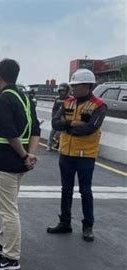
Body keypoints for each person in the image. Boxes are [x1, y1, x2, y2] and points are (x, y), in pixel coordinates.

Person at [0, 59, 40, 270]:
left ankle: (11, 256)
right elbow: (36, 130)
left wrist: (24, 155)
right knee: (8, 205)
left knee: (8, 211)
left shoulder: (3, 100)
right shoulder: (25, 98)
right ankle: (2, 242)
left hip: (3, 162)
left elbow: (8, 131)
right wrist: (30, 155)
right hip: (18, 164)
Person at [47, 69, 107, 242]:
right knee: (66, 189)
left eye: (76, 85)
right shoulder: (68, 102)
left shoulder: (99, 105)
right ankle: (65, 222)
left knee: (85, 191)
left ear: (87, 86)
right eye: (72, 85)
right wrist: (73, 123)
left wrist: (66, 126)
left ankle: (88, 226)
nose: (72, 89)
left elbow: (90, 128)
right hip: (66, 152)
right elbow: (55, 123)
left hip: (85, 155)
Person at [47, 83, 70, 151]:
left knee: (63, 132)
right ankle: (49, 144)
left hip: (65, 118)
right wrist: (54, 117)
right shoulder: (57, 99)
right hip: (57, 118)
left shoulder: (70, 99)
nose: (61, 93)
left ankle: (60, 145)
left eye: (63, 91)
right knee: (53, 131)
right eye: (60, 91)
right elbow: (54, 109)